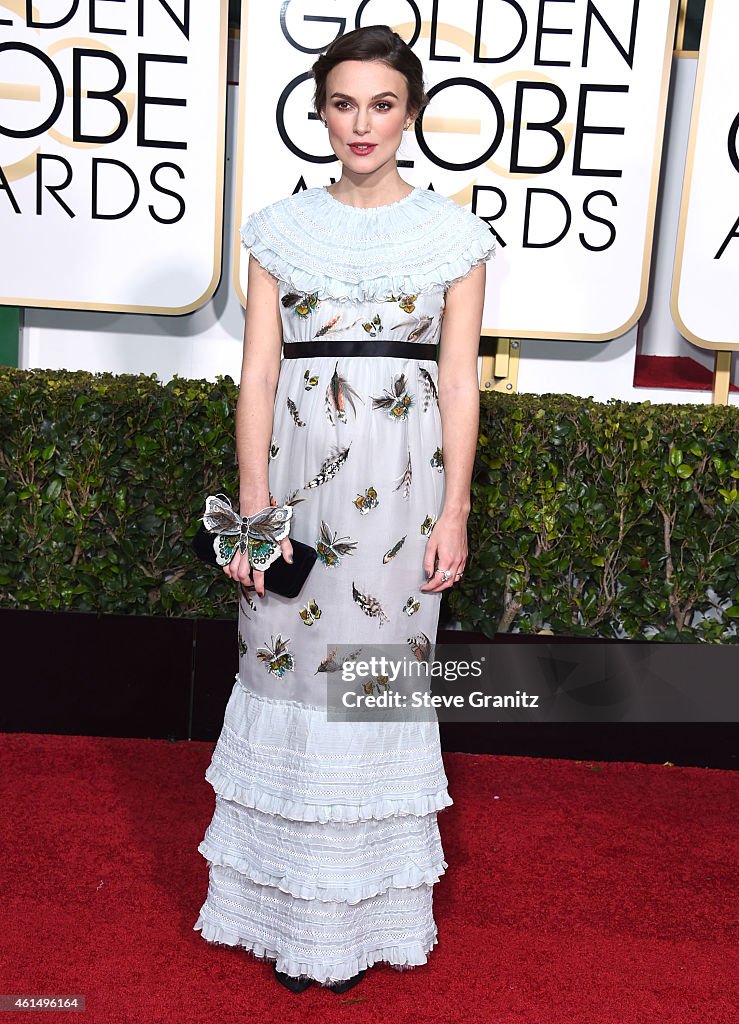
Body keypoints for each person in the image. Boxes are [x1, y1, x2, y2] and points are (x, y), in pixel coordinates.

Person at [193, 24, 495, 994]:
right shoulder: (278, 231)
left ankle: (359, 916)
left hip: (401, 501)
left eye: (381, 103)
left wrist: (453, 511)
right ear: (319, 112)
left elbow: (457, 385)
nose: (359, 123)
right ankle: (278, 911)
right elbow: (257, 371)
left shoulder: (453, 236)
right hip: (292, 487)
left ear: (408, 114)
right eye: (341, 103)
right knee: (283, 670)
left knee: (370, 685)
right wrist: (252, 505)